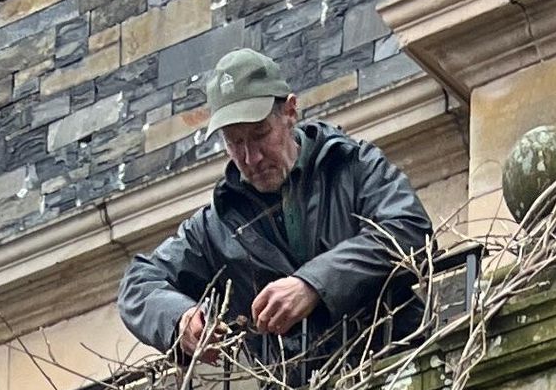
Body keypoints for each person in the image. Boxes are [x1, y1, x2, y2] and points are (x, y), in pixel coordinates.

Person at [117, 44, 435, 373]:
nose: (250, 157)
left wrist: (313, 284)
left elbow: (409, 228)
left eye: (260, 135)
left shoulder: (354, 166)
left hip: (398, 373)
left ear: (290, 112)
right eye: (234, 142)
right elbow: (138, 285)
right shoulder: (216, 227)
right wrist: (179, 318)